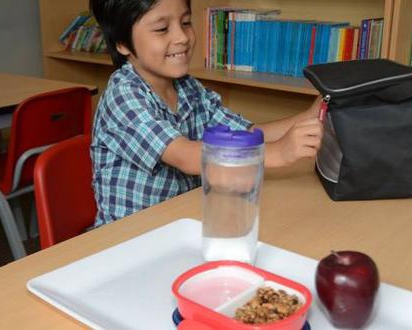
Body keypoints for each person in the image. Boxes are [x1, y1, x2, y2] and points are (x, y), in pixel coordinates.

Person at [90, 0, 324, 226]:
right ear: (122, 43)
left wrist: (309, 116)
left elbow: (246, 133)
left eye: (186, 22)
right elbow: (187, 156)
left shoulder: (187, 87)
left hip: (180, 221)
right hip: (128, 238)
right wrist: (278, 153)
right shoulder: (122, 96)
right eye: (162, 29)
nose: (182, 37)